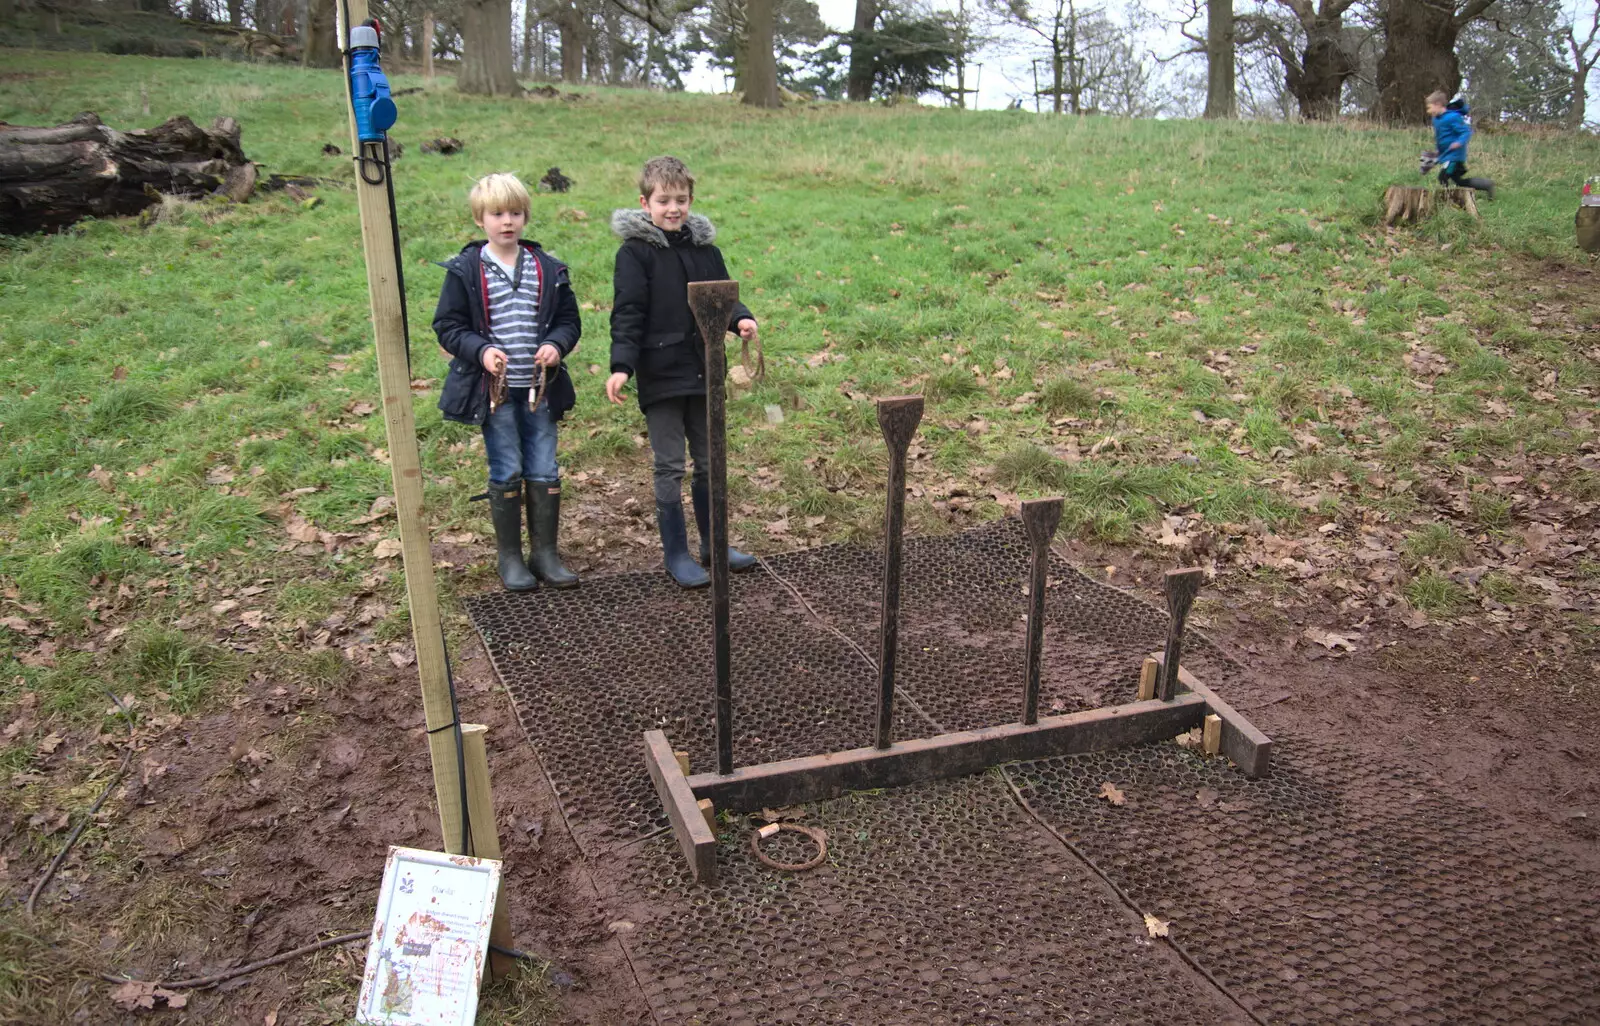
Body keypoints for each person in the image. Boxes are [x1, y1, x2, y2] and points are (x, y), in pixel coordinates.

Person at [605, 156, 759, 589]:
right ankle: (677, 552)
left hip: (705, 371)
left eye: (681, 200)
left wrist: (740, 319)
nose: (673, 208)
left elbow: (724, 297)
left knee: (710, 461)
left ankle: (714, 542)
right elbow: (627, 313)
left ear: (691, 201)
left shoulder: (706, 251)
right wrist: (622, 366)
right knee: (670, 465)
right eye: (664, 200)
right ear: (645, 202)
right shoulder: (634, 255)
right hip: (660, 374)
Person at [433, 172, 582, 592]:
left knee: (543, 465)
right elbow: (448, 325)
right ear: (480, 219)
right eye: (497, 214)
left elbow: (570, 321)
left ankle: (546, 554)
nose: (507, 222)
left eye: (515, 213)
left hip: (539, 389)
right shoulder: (466, 269)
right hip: (494, 394)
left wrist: (556, 344)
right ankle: (511, 557)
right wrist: (480, 351)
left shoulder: (547, 268)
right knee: (508, 466)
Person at [1426, 92, 1494, 199]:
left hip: (1454, 156)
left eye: (1430, 107)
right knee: (1459, 182)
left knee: (1443, 177)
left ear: (1438, 104)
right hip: (1446, 155)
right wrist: (1438, 152)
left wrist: (1458, 142)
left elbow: (1466, 132)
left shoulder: (1453, 117)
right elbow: (1441, 138)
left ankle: (1446, 200)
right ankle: (1486, 185)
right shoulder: (1436, 120)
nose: (1428, 111)